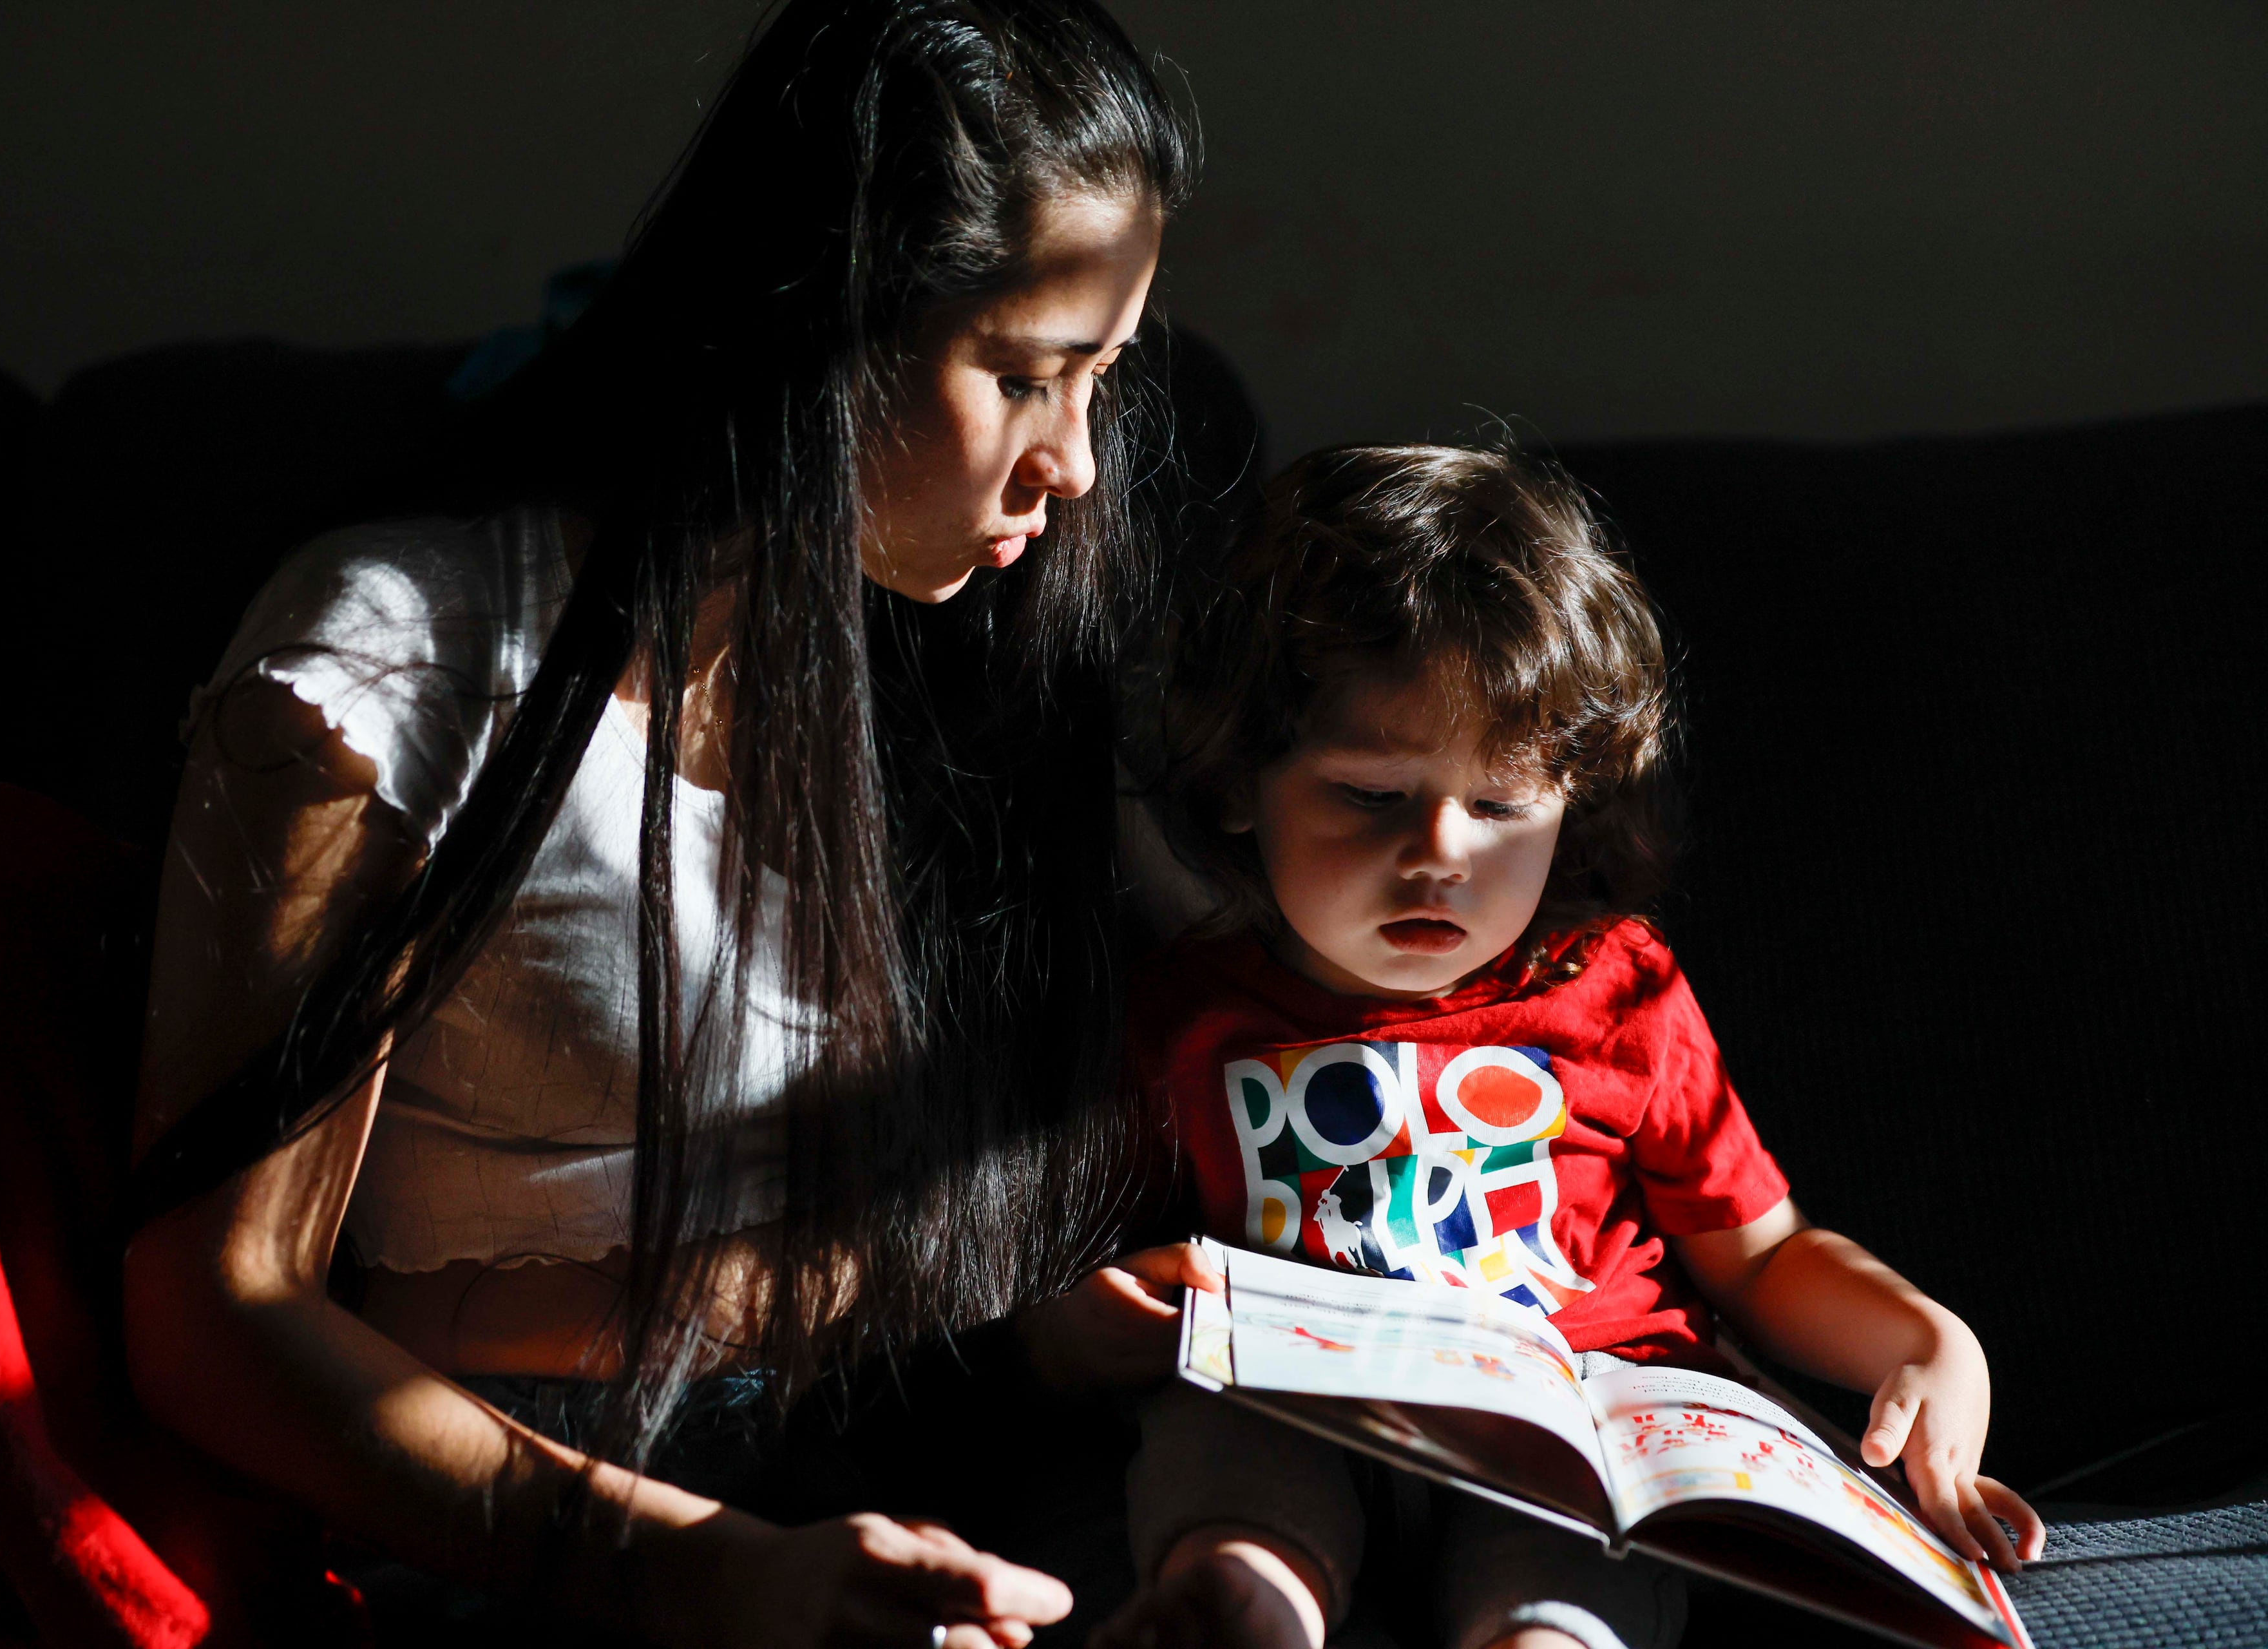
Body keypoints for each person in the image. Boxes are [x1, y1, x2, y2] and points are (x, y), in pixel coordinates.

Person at [119, 4, 1199, 1644]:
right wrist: (697, 1565)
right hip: (549, 1525)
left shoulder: (950, 657)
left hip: (902, 1473)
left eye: (1102, 379)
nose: (1078, 467)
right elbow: (218, 1308)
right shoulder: (402, 660)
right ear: (820, 326)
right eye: (1026, 375)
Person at [1091, 445, 2048, 1649]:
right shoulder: (1174, 1013)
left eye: (1500, 806)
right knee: (1220, 1454)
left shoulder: (1615, 989)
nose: (1441, 852)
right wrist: (1098, 1322)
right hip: (1304, 1406)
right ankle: (1240, 1604)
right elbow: (1079, 1280)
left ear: (1573, 803)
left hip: (1569, 1424)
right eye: (1373, 796)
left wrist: (1926, 1340)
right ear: (1242, 782)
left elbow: (1759, 1259)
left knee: (1570, 1564)